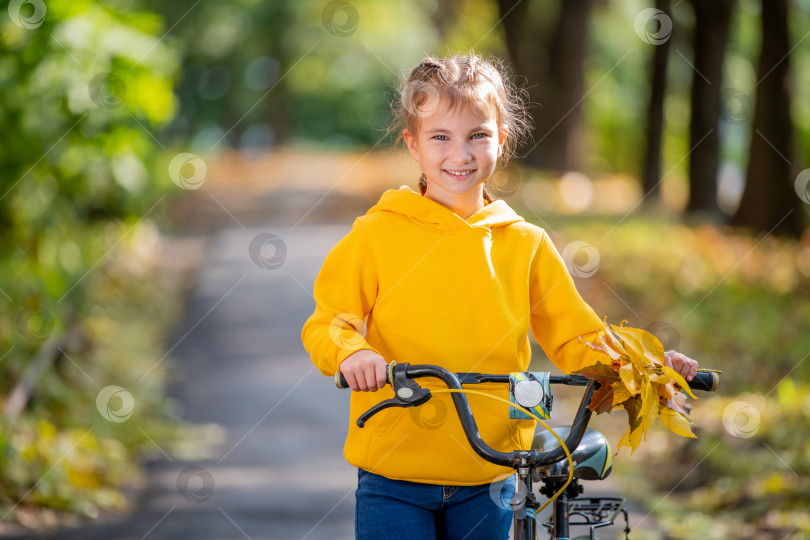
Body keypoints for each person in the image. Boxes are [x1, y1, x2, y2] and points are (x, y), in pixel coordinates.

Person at [300, 53, 698, 540]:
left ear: (501, 139)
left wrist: (649, 369)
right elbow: (327, 323)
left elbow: (579, 337)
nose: (460, 154)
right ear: (413, 145)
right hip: (393, 471)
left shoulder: (524, 242)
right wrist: (352, 353)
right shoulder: (377, 235)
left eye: (478, 135)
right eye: (440, 137)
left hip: (492, 472)